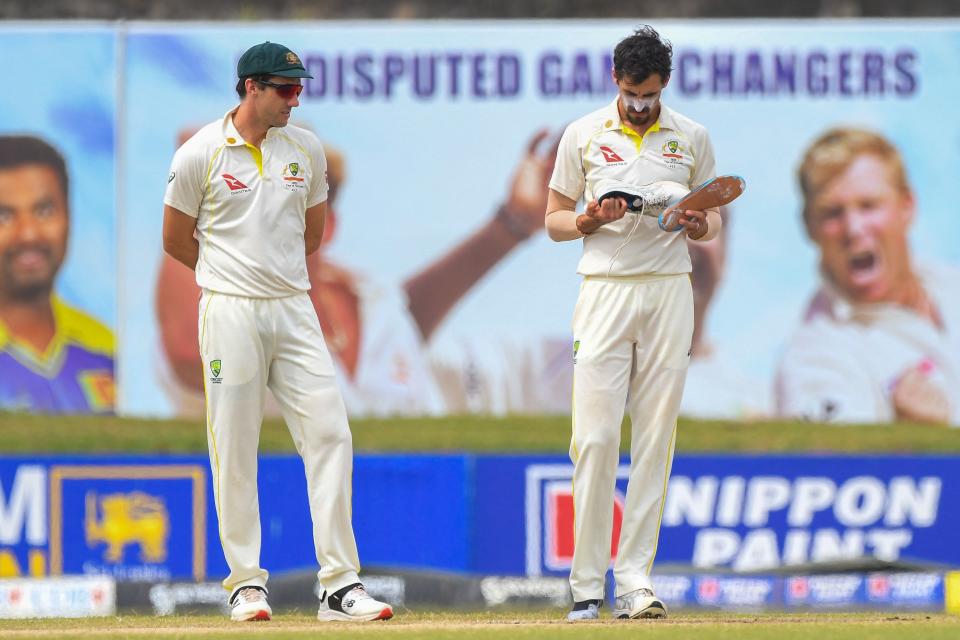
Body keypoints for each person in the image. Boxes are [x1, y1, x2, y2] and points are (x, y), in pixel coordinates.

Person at [161, 41, 393, 623]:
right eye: (285, 88)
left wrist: (273, 275)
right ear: (251, 88)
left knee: (330, 435)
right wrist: (226, 276)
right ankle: (245, 584)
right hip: (230, 310)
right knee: (235, 444)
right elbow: (174, 239)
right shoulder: (201, 154)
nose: (296, 98)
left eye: (299, 87)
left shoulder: (305, 149)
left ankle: (341, 588)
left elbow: (310, 235)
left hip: (294, 308)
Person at [157, 128, 567, 417]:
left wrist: (511, 224)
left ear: (324, 225)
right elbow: (188, 349)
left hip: (427, 520)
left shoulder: (362, 297)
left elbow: (401, 327)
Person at [545, 26, 722, 621]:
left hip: (670, 291)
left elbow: (712, 219)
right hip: (604, 291)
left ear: (664, 84)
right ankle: (585, 585)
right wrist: (590, 219)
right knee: (594, 439)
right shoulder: (584, 134)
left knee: (654, 438)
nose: (639, 104)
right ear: (615, 81)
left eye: (648, 94)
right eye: (629, 92)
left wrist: (697, 225)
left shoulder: (691, 136)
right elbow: (552, 220)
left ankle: (636, 580)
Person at [776, 127, 960, 426]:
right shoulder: (812, 362)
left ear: (907, 206)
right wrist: (916, 438)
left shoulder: (952, 285)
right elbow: (836, 469)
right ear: (809, 227)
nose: (854, 228)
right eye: (832, 213)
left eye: (868, 206)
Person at [0, 135, 115, 414]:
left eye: (44, 211)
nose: (28, 234)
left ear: (69, 217)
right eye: (3, 215)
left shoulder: (107, 346)